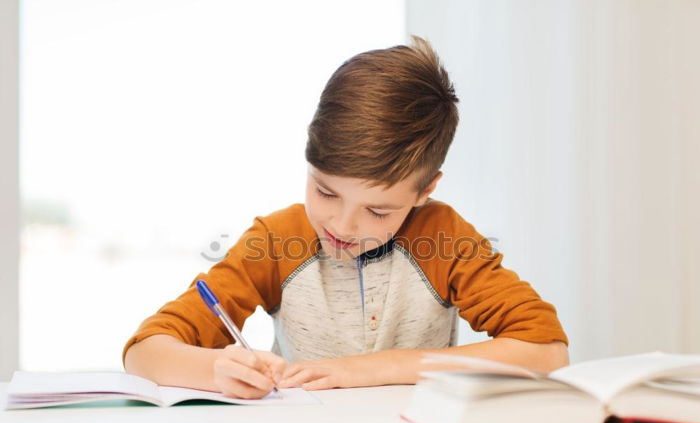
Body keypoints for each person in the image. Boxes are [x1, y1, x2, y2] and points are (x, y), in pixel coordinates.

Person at [123, 36, 569, 399]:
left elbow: (546, 352)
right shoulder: (277, 241)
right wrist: (214, 368)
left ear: (426, 190)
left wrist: (379, 368)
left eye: (378, 210)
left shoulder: (445, 239)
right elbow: (144, 352)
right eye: (325, 191)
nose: (341, 225)